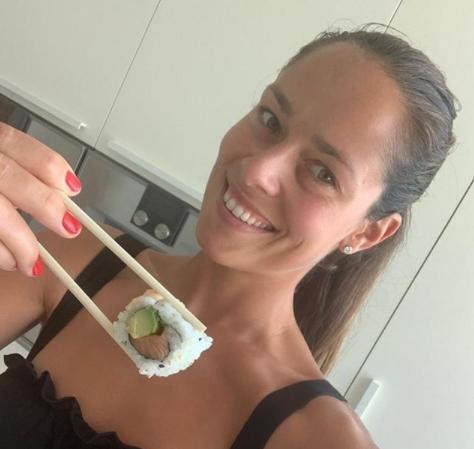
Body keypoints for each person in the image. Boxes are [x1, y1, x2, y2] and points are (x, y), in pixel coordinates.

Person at [0, 23, 458, 449]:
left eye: (323, 172)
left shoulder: (319, 438)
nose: (258, 171)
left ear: (369, 231)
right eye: (271, 120)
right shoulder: (76, 257)